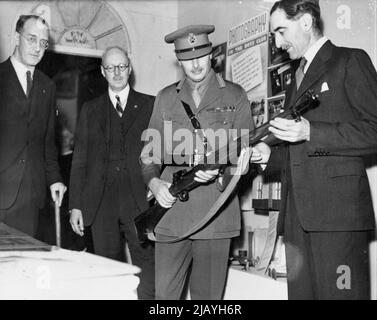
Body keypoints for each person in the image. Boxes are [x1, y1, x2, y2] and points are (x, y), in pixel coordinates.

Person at [264, 0, 377, 299]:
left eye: (281, 31)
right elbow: (296, 150)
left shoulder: (349, 60)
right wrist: (267, 156)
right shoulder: (296, 79)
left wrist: (310, 131)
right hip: (297, 220)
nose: (278, 43)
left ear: (306, 22)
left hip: (338, 220)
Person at [140, 25, 269, 300]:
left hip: (216, 214)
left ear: (211, 55)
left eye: (200, 56)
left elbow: (244, 155)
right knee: (164, 299)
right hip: (171, 213)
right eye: (187, 58)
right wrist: (154, 181)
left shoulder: (235, 96)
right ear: (178, 60)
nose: (195, 64)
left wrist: (221, 175)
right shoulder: (165, 98)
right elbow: (149, 153)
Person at [68, 46, 155, 300]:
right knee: (106, 272)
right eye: (110, 67)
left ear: (129, 68)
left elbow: (160, 152)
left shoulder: (150, 105)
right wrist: (76, 205)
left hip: (139, 202)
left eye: (121, 66)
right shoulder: (90, 109)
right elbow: (79, 160)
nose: (116, 72)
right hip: (100, 203)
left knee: (146, 269)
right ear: (102, 72)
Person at [0, 15, 66, 237]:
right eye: (32, 39)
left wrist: (55, 178)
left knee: (24, 266)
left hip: (30, 197)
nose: (38, 48)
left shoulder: (47, 86)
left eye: (43, 43)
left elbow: (48, 143)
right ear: (16, 38)